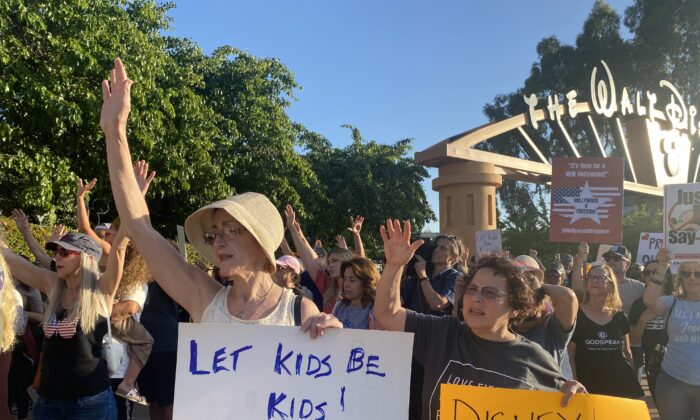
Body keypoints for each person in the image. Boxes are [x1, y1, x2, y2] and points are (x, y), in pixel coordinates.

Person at [99, 58, 339, 334]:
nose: (218, 242)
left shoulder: (299, 311)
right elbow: (138, 227)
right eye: (214, 234)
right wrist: (115, 132)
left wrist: (332, 337)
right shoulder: (203, 297)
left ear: (260, 241)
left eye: (230, 230)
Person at [374, 219, 586, 420]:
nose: (476, 298)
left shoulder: (533, 357)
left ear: (515, 308)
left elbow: (567, 401)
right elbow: (388, 313)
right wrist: (394, 265)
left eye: (490, 293)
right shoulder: (442, 332)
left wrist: (574, 393)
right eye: (472, 289)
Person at [0, 230, 128, 419]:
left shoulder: (101, 290)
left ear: (87, 258)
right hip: (48, 401)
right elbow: (11, 260)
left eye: (65, 252)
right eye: (56, 251)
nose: (57, 257)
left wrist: (128, 219)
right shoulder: (52, 285)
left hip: (90, 403)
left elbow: (119, 250)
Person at [568, 264, 643, 399]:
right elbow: (570, 355)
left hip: (618, 385)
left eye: (600, 278)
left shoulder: (620, 316)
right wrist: (574, 382)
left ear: (611, 285)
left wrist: (631, 382)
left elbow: (627, 352)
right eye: (591, 278)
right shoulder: (576, 314)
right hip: (587, 386)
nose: (594, 281)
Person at [573, 243, 645, 378]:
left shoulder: (640, 288)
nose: (611, 261)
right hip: (598, 345)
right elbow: (577, 288)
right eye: (608, 258)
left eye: (617, 258)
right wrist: (580, 258)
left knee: (627, 393)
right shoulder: (595, 284)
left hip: (632, 346)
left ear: (627, 264)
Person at [643, 250, 700, 420]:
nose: (692, 277)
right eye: (686, 273)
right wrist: (662, 265)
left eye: (697, 273)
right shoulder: (672, 301)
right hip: (672, 381)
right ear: (680, 277)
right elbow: (649, 300)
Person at [284, 204, 353, 314]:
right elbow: (307, 259)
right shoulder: (327, 285)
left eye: (335, 261)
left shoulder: (360, 288)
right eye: (329, 262)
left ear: (347, 261)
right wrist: (292, 227)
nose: (330, 265)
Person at [401, 234, 462, 316]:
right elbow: (399, 301)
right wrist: (398, 266)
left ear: (453, 257)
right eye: (436, 247)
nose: (436, 250)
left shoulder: (455, 277)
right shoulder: (421, 272)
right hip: (412, 326)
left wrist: (422, 275)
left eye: (442, 248)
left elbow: (438, 304)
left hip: (436, 328)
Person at [332, 257, 379, 329]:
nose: (346, 284)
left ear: (366, 282)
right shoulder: (340, 306)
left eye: (352, 280)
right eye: (345, 279)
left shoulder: (374, 311)